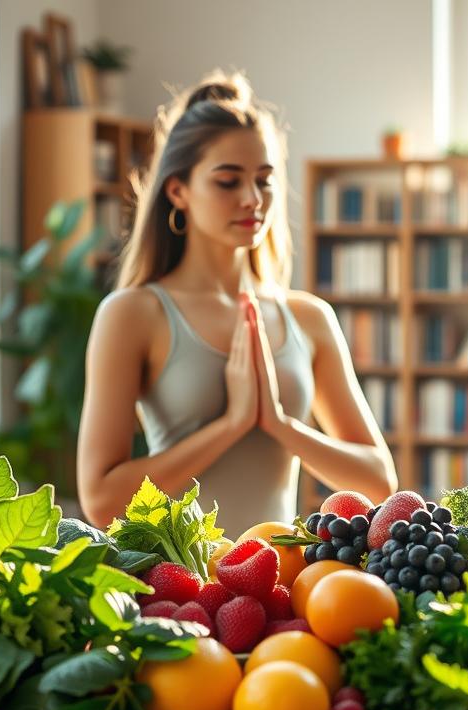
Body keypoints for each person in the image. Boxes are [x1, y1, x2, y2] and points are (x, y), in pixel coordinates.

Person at [77, 72, 397, 532]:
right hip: (178, 593)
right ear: (178, 190)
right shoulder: (133, 314)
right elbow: (101, 500)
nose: (253, 199)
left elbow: (380, 484)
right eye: (228, 181)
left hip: (280, 590)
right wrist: (231, 424)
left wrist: (280, 424)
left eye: (264, 181)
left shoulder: (308, 318)